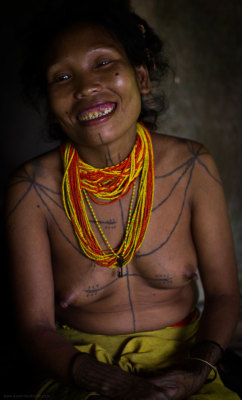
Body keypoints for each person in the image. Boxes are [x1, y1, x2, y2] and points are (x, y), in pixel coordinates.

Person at [5, 2, 240, 399]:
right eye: (61, 76)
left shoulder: (193, 166)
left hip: (185, 360)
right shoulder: (31, 190)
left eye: (103, 63)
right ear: (50, 103)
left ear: (142, 78)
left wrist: (195, 373)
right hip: (76, 369)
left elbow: (224, 295)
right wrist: (108, 382)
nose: (84, 87)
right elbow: (35, 329)